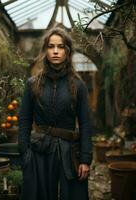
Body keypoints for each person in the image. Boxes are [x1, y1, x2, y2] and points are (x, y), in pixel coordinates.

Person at [18, 26, 93, 200]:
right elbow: (24, 120)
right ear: (45, 50)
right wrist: (25, 154)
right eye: (51, 46)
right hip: (40, 151)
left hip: (70, 152)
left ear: (68, 51)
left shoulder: (78, 85)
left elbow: (85, 124)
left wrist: (85, 159)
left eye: (60, 47)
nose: (56, 51)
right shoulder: (32, 84)